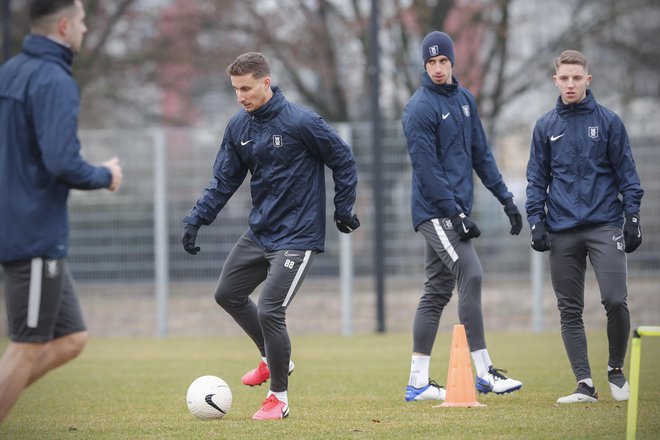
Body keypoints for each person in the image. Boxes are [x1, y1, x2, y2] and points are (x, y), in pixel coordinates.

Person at [181, 52, 359, 420]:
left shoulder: (301, 121)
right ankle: (272, 357)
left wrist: (343, 208)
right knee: (227, 294)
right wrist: (197, 219)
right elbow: (224, 180)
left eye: (246, 88)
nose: (240, 96)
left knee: (270, 309)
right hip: (260, 232)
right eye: (235, 90)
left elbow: (342, 158)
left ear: (266, 82)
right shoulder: (238, 128)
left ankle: (279, 398)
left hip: (298, 235)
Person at [0, 0, 123, 423]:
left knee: (71, 338)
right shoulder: (53, 80)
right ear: (66, 25)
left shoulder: (12, 70)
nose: (86, 30)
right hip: (30, 231)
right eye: (84, 21)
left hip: (26, 227)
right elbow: (62, 163)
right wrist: (104, 175)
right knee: (28, 343)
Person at [401, 31, 523, 402]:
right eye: (431, 62)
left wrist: (507, 200)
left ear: (453, 62)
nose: (438, 68)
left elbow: (481, 155)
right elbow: (427, 169)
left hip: (454, 212)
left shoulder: (466, 101)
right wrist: (456, 213)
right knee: (471, 272)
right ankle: (484, 372)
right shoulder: (418, 108)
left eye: (443, 61)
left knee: (436, 291)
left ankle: (418, 383)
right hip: (436, 212)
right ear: (424, 65)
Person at [526, 50, 644, 404]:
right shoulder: (545, 126)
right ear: (556, 81)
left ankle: (615, 368)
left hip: (605, 224)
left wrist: (633, 218)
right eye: (565, 78)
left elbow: (628, 176)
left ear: (587, 80)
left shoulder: (609, 122)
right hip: (562, 230)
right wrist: (536, 220)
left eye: (577, 77)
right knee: (569, 309)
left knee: (614, 299)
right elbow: (535, 179)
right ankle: (584, 384)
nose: (571, 84)